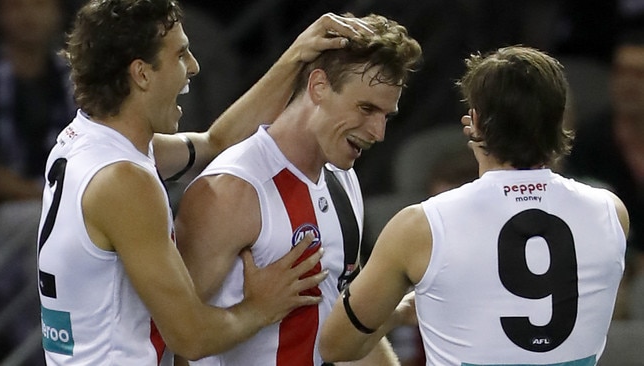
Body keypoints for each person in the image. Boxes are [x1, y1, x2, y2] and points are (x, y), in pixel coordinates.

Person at [36, 0, 373, 364]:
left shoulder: (85, 139)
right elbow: (192, 337)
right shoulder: (125, 181)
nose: (194, 66)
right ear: (142, 73)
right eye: (180, 54)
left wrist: (295, 56)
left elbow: (215, 142)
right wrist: (260, 307)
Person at [319, 45, 630, 365]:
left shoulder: (419, 226)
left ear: (474, 123)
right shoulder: (612, 212)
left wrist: (397, 314)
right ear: (560, 122)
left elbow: (334, 347)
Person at [174, 12, 422, 366]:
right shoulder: (232, 190)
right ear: (319, 86)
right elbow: (177, 342)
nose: (378, 132)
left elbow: (342, 319)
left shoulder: (343, 179)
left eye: (386, 115)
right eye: (366, 108)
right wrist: (254, 310)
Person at [0, 0, 74, 362]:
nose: (28, 16)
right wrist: (45, 196)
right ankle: (46, 353)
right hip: (11, 213)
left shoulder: (74, 75)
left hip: (71, 198)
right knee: (33, 221)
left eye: (40, 5)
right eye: (16, 6)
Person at [563, 28, 644, 320]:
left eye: (639, 75)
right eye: (621, 72)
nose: (628, 84)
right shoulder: (587, 140)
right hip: (612, 264)